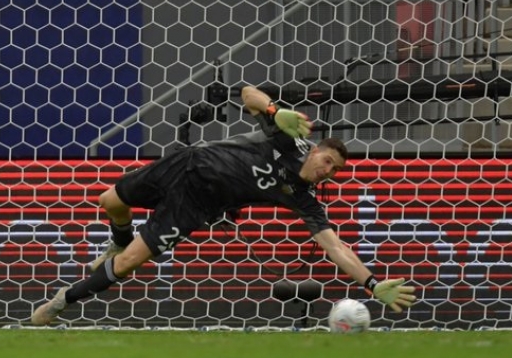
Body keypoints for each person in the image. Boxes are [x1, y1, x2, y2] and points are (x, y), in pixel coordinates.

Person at [31, 86, 416, 325]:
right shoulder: (286, 138)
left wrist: (372, 282)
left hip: (197, 203)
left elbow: (335, 247)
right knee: (109, 201)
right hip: (184, 164)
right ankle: (117, 237)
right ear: (315, 151)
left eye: (334, 170)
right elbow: (247, 93)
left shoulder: (304, 199)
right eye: (327, 162)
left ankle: (61, 302)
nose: (327, 172)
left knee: (132, 262)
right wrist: (273, 110)